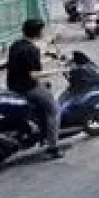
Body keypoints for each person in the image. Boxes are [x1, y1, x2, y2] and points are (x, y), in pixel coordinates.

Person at [4, 19, 62, 158]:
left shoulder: (16, 44)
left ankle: (41, 129)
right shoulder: (32, 49)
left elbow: (22, 63)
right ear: (37, 32)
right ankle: (53, 148)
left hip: (13, 84)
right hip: (27, 87)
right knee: (54, 110)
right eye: (42, 30)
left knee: (44, 89)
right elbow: (34, 74)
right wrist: (57, 70)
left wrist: (47, 57)